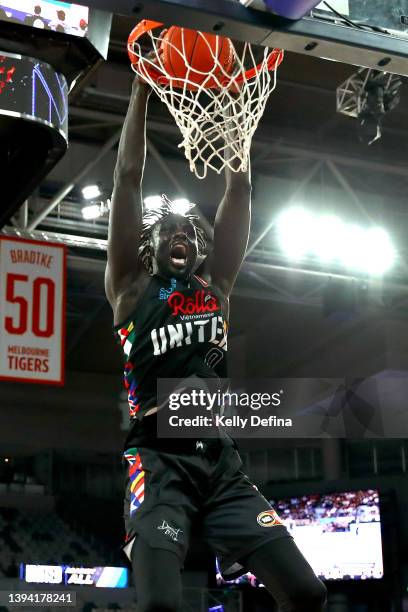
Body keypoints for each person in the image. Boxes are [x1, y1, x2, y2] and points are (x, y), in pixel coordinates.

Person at [105, 72, 328, 612]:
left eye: (192, 233)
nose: (182, 234)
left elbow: (240, 189)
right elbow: (128, 179)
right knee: (160, 603)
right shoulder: (132, 290)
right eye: (170, 231)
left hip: (221, 461)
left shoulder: (217, 289)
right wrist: (140, 90)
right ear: (147, 247)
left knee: (307, 594)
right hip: (158, 460)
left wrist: (234, 113)